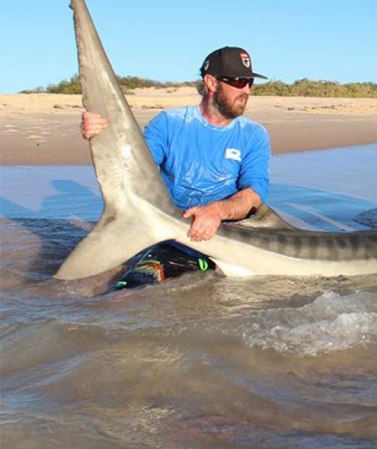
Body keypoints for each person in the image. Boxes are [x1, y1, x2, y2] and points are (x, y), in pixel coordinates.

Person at [80, 46, 271, 288]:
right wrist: (102, 134)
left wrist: (217, 211)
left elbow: (254, 194)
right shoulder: (169, 124)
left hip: (235, 238)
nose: (246, 89)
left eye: (249, 82)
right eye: (238, 81)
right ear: (211, 82)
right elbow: (134, 171)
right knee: (123, 296)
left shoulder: (254, 135)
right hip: (175, 237)